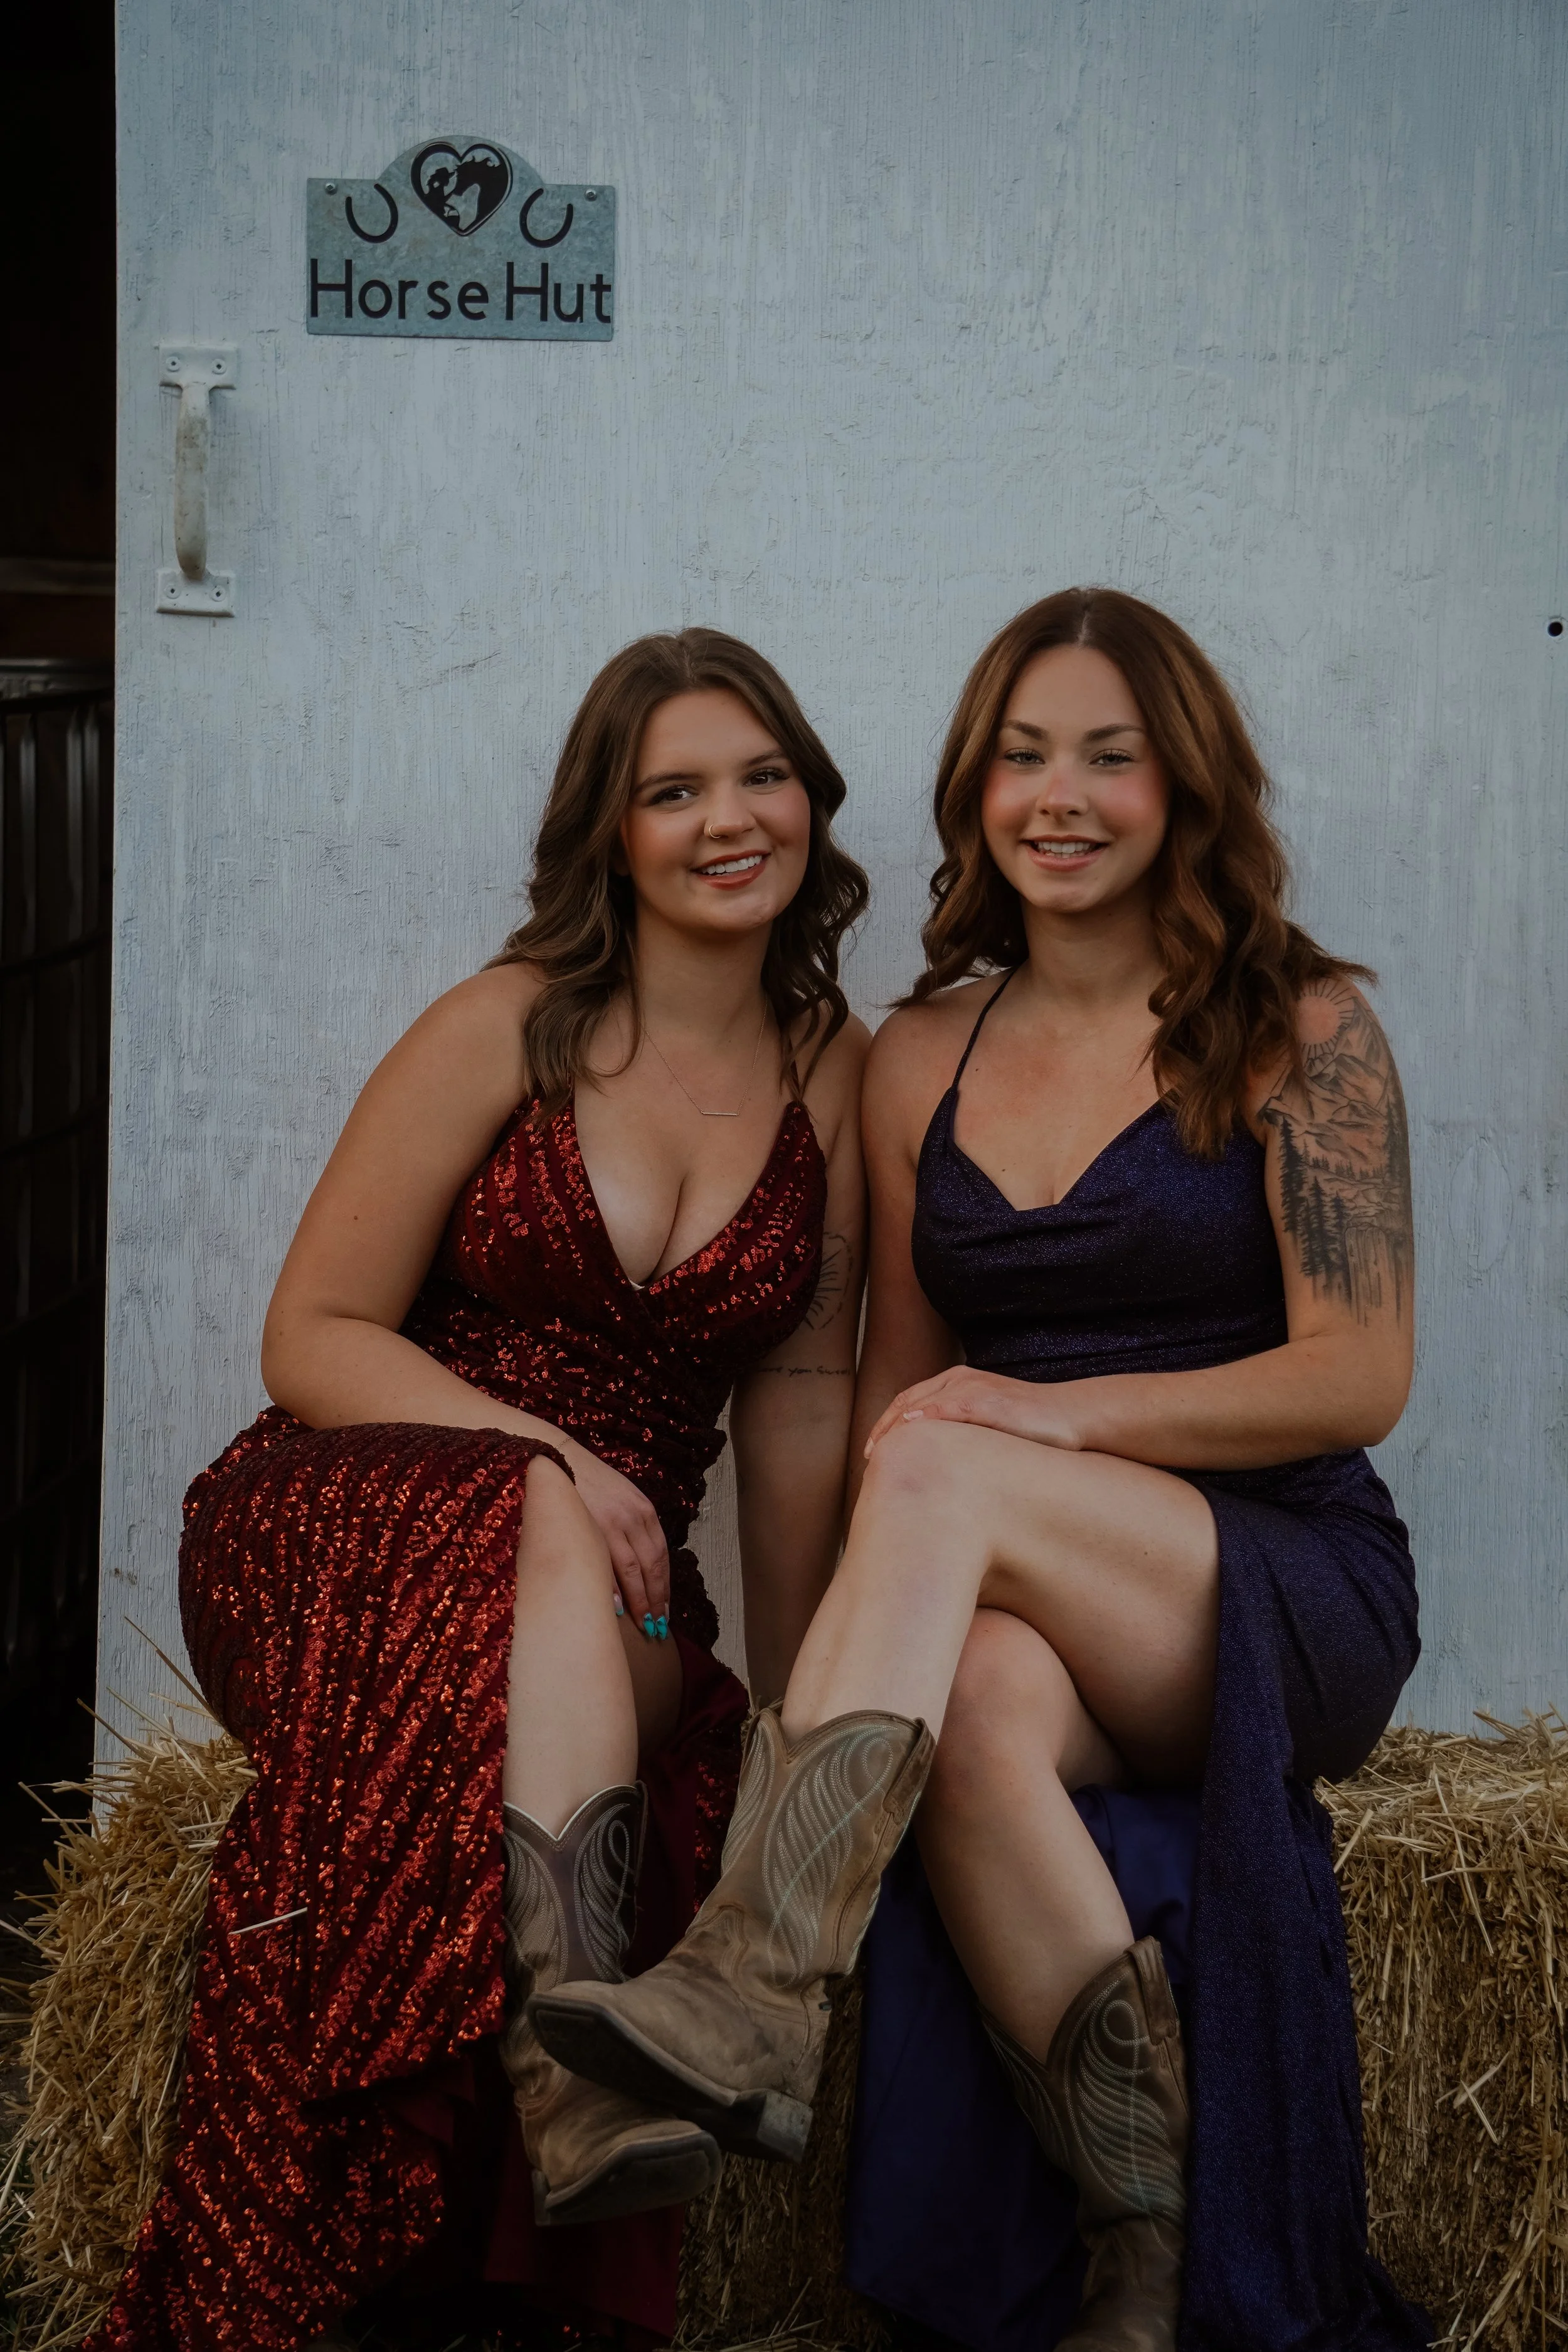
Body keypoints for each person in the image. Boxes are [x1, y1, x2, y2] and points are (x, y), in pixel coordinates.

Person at [529, 589, 1429, 2351]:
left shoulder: (1297, 1028)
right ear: (970, 786)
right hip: (1028, 1584)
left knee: (938, 1460)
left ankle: (752, 1979)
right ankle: (1145, 2246)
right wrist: (811, 1667)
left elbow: (1357, 1373)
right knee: (982, 1678)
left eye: (1108, 753)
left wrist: (1055, 1419)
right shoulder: (916, 1054)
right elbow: (874, 1392)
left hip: (1274, 1580)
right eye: (1020, 755)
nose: (1059, 794)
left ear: (1184, 781)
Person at [90, 629, 870, 2352]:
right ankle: (581, 2057)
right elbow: (311, 1332)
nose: (728, 818)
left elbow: (804, 1415)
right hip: (344, 1510)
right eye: (673, 789)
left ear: (812, 795)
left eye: (760, 776)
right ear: (610, 829)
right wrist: (544, 1453)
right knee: (523, 1520)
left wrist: (800, 1738)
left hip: (613, 1587)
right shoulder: (506, 1022)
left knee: (603, 1601)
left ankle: (568, 2074)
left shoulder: (831, 1062)